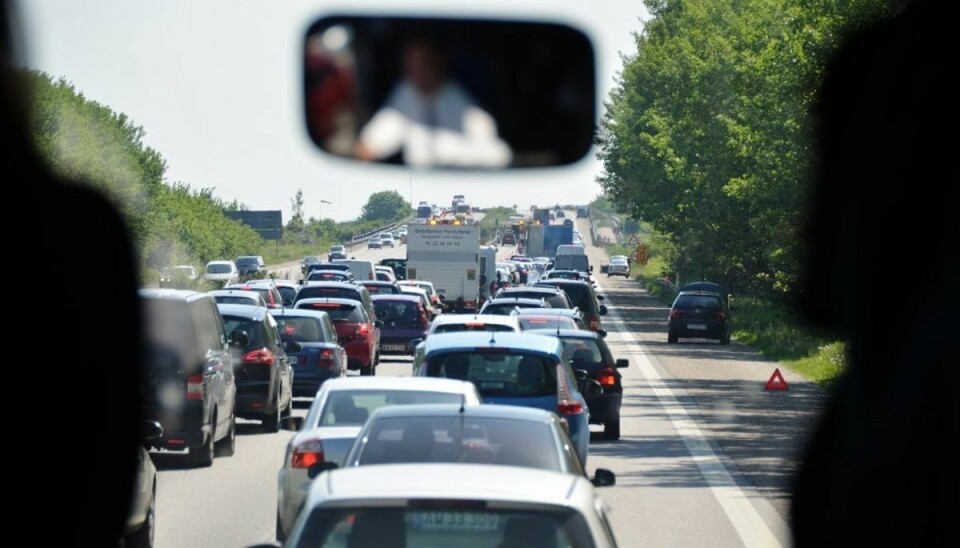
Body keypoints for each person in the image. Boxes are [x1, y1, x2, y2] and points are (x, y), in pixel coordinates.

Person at [353, 37, 512, 168]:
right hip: (417, 186)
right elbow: (371, 144)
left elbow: (499, 155)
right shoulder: (406, 93)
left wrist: (449, 151)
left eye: (423, 64)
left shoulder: (459, 100)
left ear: (438, 63)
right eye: (411, 66)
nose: (418, 72)